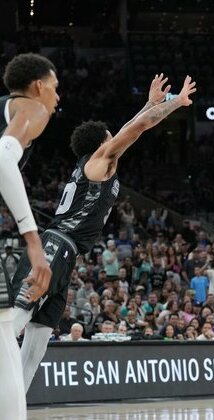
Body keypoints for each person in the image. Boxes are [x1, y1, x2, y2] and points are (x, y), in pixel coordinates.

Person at [11, 73, 196, 392]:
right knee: (15, 320)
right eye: (112, 137)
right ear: (102, 142)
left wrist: (150, 104)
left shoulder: (95, 162)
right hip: (55, 246)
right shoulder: (100, 160)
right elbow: (136, 129)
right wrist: (174, 103)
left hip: (66, 256)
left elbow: (131, 127)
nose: (117, 140)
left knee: (37, 343)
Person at [0, 52, 58, 420]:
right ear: (38, 86)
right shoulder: (33, 109)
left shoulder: (4, 106)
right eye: (55, 87)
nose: (57, 97)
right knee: (4, 339)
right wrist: (34, 243)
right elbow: (2, 160)